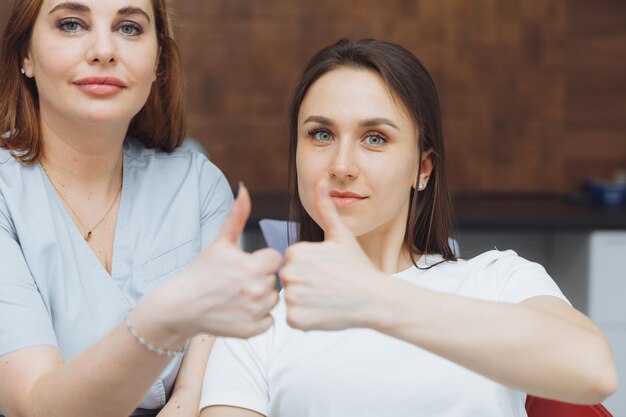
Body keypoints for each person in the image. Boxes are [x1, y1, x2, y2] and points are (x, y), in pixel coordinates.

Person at [199, 39, 617, 417]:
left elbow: (593, 370)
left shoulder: (498, 279)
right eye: (321, 134)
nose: (341, 166)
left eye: (375, 138)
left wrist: (372, 296)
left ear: (423, 166)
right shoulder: (256, 328)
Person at [0, 1, 280, 417]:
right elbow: (36, 403)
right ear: (26, 55)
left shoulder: (197, 185)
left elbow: (197, 392)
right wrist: (158, 325)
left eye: (129, 28)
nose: (103, 49)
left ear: (157, 64)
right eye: (72, 24)